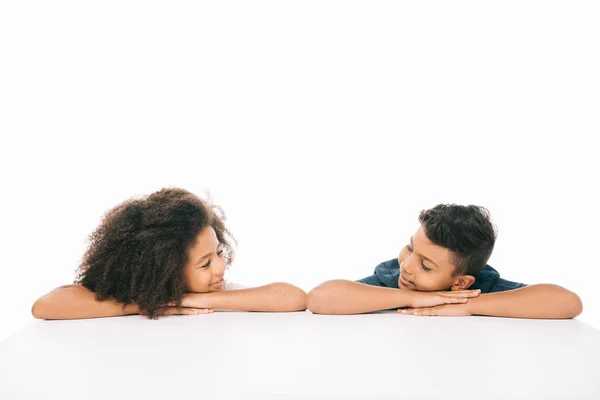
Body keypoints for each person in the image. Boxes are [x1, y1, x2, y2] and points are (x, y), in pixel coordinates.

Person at [32, 188, 306, 319]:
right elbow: (45, 305)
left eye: (219, 253)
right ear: (165, 270)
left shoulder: (219, 293)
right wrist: (156, 303)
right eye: (205, 264)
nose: (220, 267)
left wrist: (192, 299)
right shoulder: (140, 299)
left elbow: (294, 297)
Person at [307, 204, 582, 318]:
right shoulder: (395, 279)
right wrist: (412, 298)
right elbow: (319, 298)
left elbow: (568, 302)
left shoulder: (476, 289)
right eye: (410, 249)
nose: (408, 265)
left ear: (461, 282)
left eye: (426, 266)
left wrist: (468, 306)